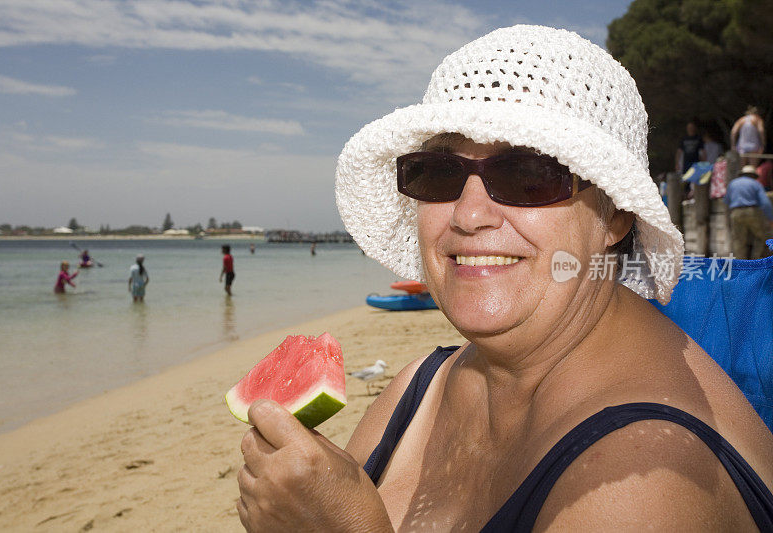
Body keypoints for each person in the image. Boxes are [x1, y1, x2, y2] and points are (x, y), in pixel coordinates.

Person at [235, 26, 773, 531]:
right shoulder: (418, 387)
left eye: (528, 175)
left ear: (614, 217)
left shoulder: (647, 477)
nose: (470, 215)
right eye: (439, 172)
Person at [723, 165, 773, 259]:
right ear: (753, 175)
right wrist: (770, 218)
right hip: (752, 212)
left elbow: (726, 201)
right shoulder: (755, 184)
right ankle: (756, 260)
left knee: (739, 240)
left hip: (736, 212)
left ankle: (741, 263)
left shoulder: (733, 183)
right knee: (761, 237)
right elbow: (765, 203)